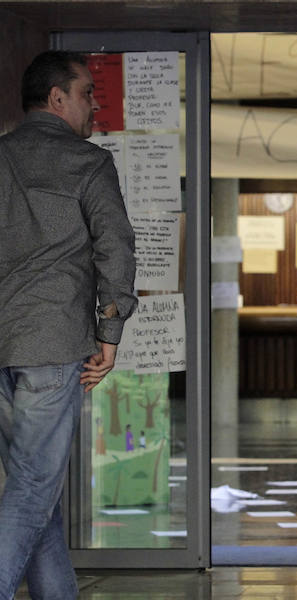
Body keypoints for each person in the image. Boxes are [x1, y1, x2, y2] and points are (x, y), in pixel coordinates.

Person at [0, 51, 136, 600]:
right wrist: (110, 333)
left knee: (41, 494)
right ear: (57, 98)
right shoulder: (88, 163)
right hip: (52, 348)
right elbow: (117, 250)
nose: (94, 105)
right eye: (86, 93)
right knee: (34, 489)